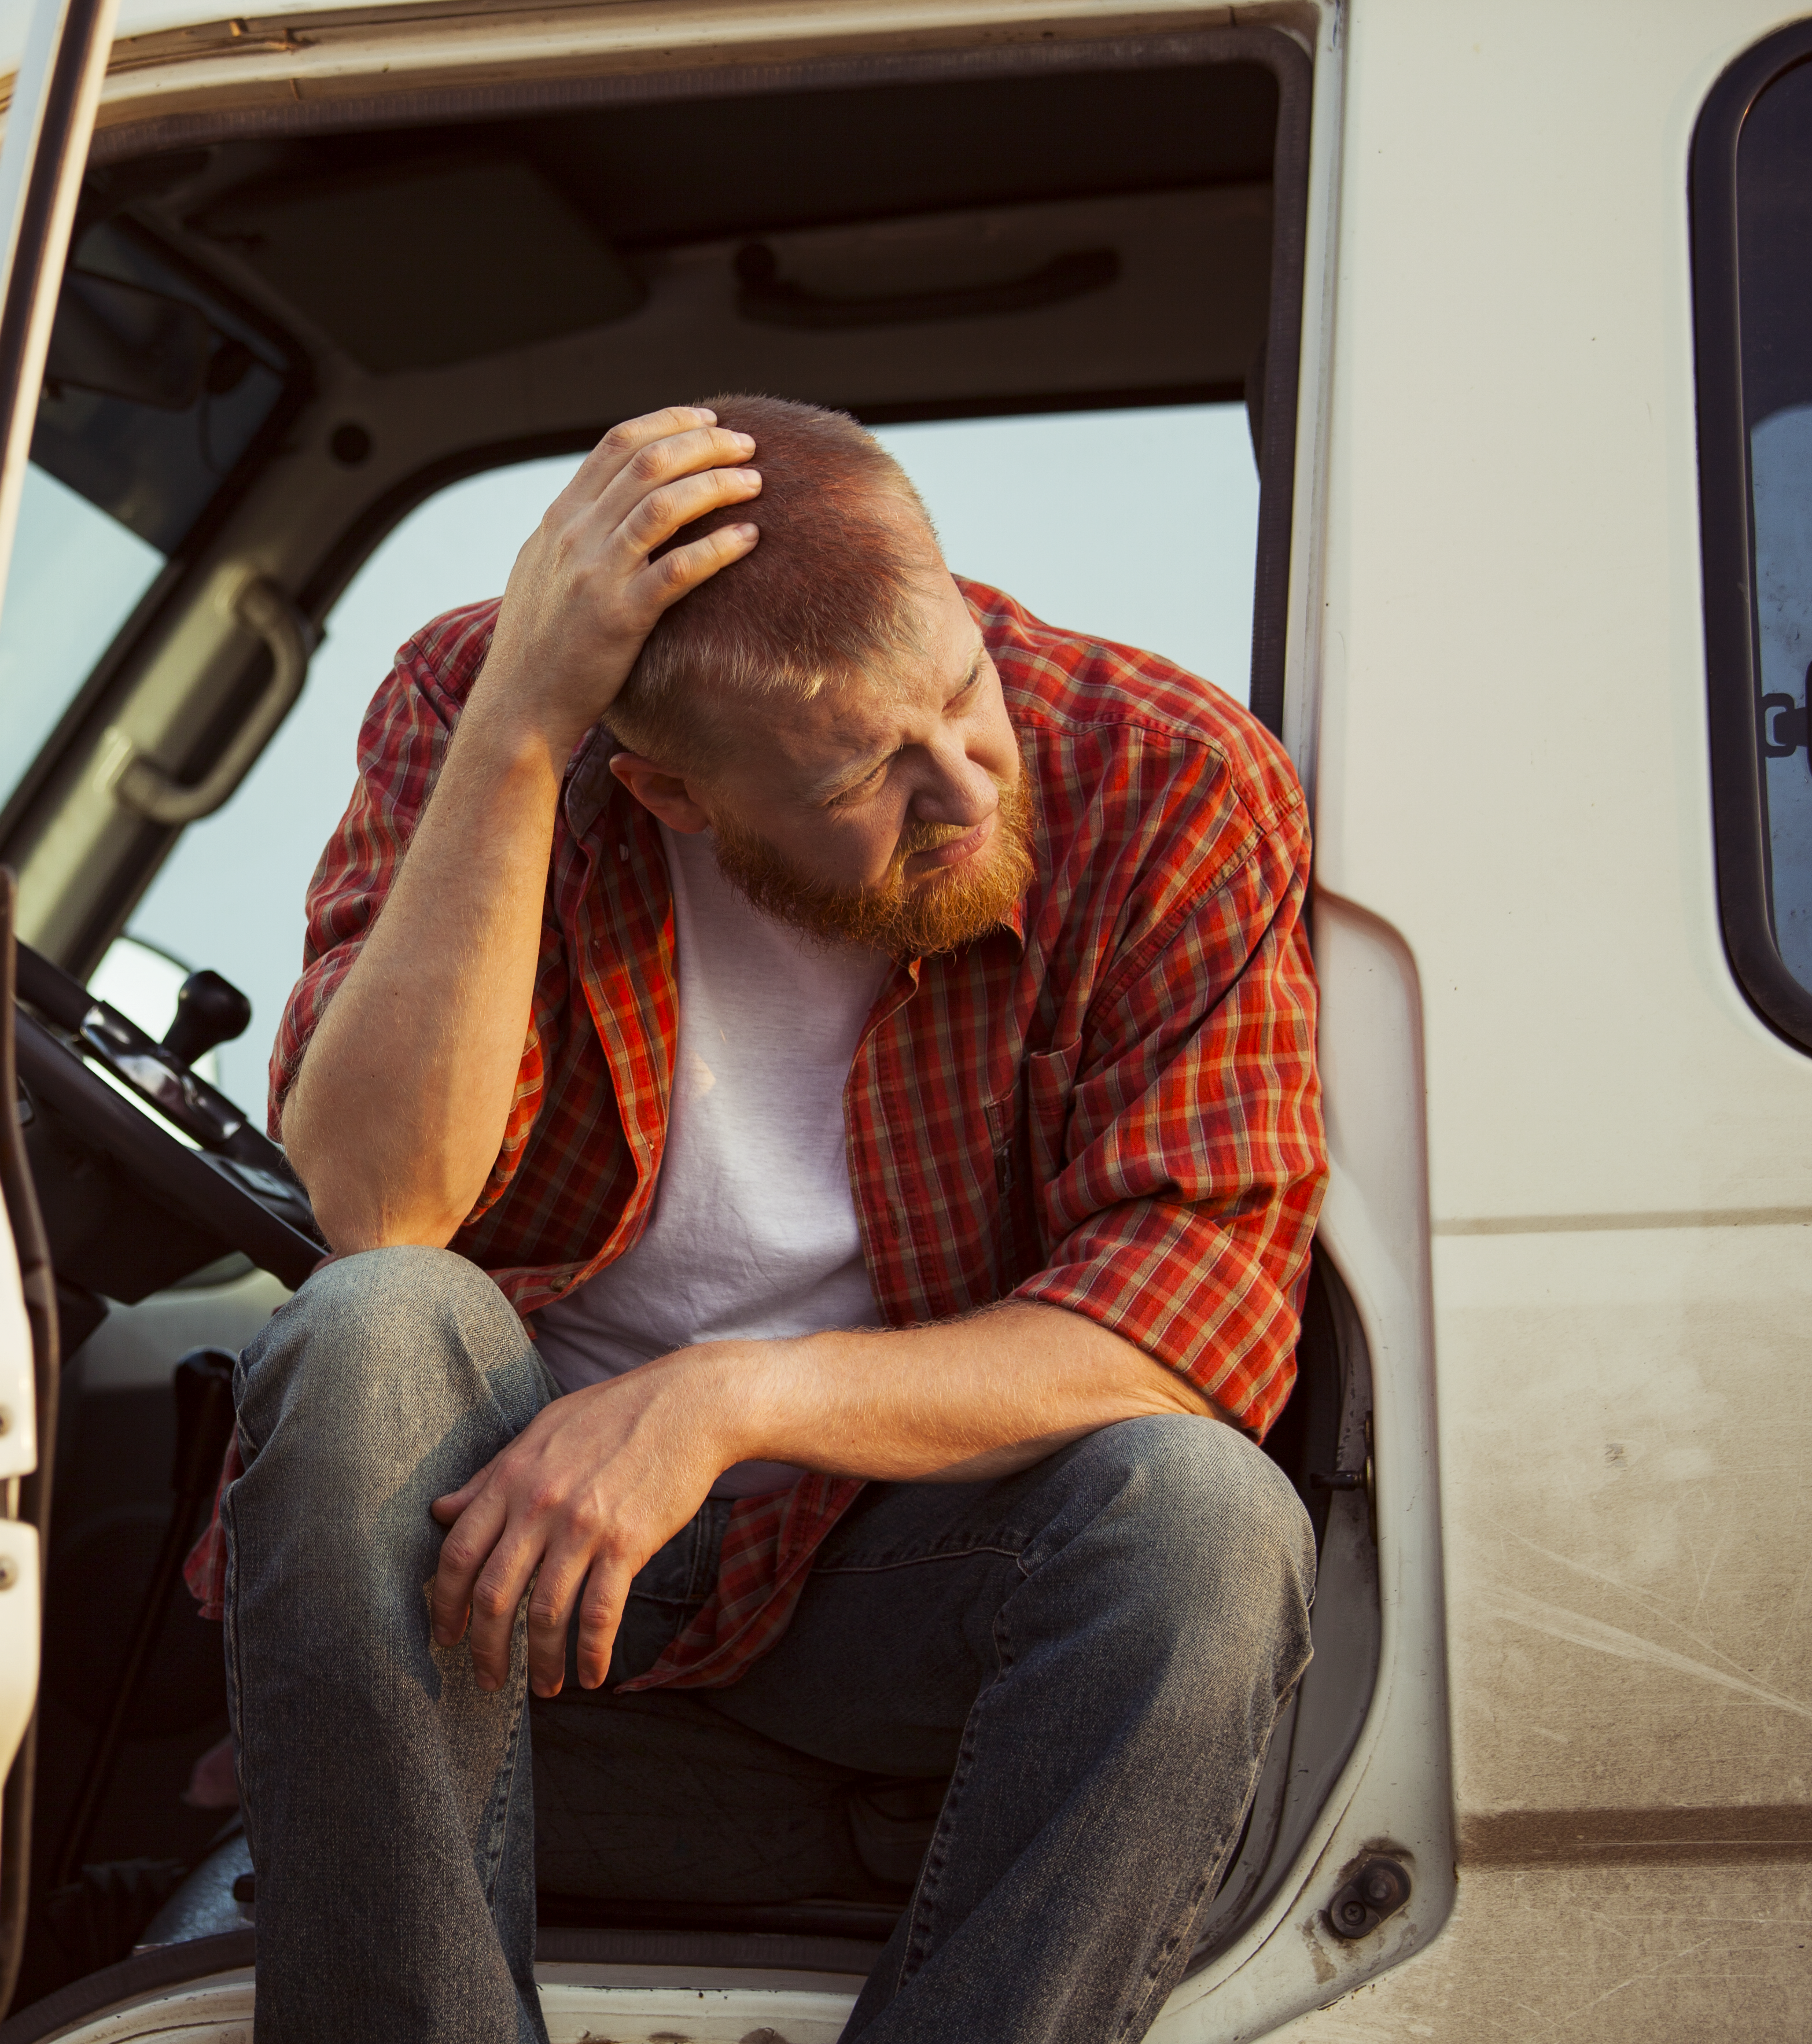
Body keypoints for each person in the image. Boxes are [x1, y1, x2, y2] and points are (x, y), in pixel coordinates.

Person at [194, 396, 1326, 2043]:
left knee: (1204, 1518)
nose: (965, 786)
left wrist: (725, 1399)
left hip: (899, 1556)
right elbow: (382, 1205)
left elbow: (1191, 1322)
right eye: (871, 769)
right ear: (665, 793)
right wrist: (517, 724)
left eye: (960, 691)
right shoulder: (487, 706)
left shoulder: (1163, 773)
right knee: (369, 1329)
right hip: (510, 1558)